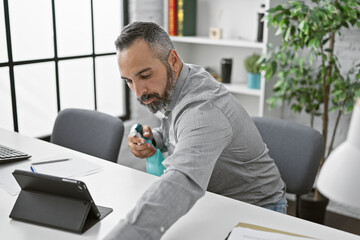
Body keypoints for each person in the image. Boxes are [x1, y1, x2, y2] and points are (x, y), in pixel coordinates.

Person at [104, 21, 286, 240]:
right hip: (213, 198)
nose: (138, 92)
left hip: (257, 208)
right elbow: (180, 131)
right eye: (129, 81)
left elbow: (182, 181)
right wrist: (156, 138)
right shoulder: (181, 78)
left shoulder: (204, 109)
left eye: (145, 76)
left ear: (172, 60)